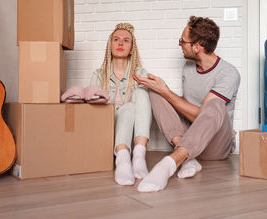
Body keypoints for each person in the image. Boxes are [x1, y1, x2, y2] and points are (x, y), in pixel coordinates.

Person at [133, 16, 240, 192]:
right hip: (189, 137)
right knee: (154, 90)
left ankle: (170, 163)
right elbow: (185, 106)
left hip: (215, 145)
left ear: (197, 47)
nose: (180, 44)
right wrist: (162, 90)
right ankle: (189, 159)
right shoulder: (189, 68)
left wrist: (167, 91)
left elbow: (203, 116)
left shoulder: (229, 74)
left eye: (182, 41)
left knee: (215, 106)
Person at [90, 22, 152, 186]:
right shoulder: (98, 75)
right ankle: (123, 159)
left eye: (126, 40)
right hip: (106, 128)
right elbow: (91, 109)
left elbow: (140, 108)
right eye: (116, 39)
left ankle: (137, 155)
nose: (120, 43)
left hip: (129, 128)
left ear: (132, 48)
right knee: (125, 105)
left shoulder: (140, 73)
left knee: (138, 96)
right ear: (110, 45)